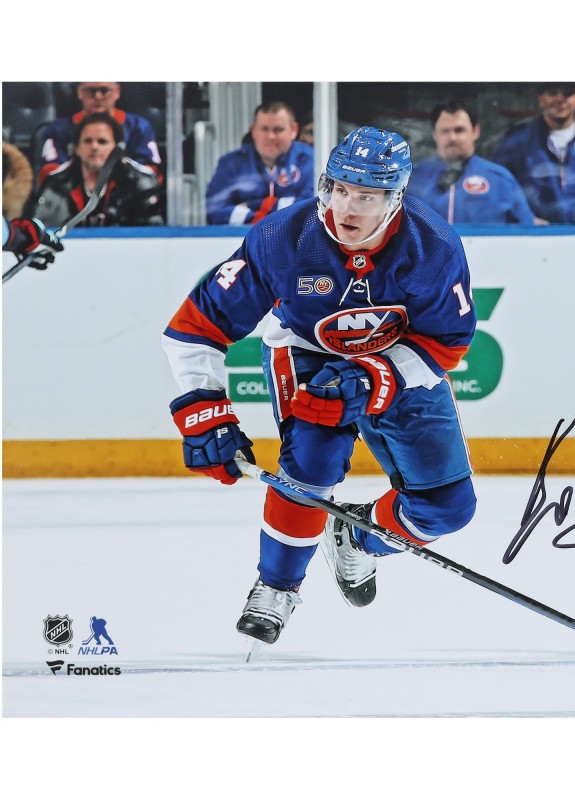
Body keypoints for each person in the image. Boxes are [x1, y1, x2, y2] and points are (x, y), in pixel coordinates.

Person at [162, 126, 477, 646]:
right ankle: (276, 586)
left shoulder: (434, 249)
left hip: (399, 358)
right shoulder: (282, 238)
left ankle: (358, 537)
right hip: (308, 351)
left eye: (366, 196)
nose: (346, 208)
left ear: (396, 197)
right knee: (311, 463)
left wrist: (375, 376)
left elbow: (446, 342)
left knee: (447, 509)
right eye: (339, 189)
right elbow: (196, 326)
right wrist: (205, 409)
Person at [407, 101, 536, 225]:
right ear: (435, 134)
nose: (452, 138)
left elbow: (527, 229)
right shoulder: (412, 179)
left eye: (459, 130)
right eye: (445, 131)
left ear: (475, 131)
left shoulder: (500, 179)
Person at [26, 112, 164, 228]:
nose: (94, 147)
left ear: (118, 148)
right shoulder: (56, 185)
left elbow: (151, 236)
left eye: (102, 141)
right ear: (76, 148)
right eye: (88, 141)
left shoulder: (141, 184)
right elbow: (46, 233)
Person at [493, 83, 575, 221]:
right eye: (552, 93)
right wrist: (526, 218)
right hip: (535, 230)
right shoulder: (516, 142)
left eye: (567, 93)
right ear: (540, 100)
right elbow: (500, 187)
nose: (560, 99)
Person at [205, 102, 315, 225]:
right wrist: (256, 217)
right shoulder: (231, 164)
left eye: (278, 130)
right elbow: (214, 211)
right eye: (264, 129)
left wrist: (254, 205)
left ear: (293, 130)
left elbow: (312, 207)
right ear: (253, 130)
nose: (271, 136)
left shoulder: (311, 160)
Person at [37, 82, 162, 183]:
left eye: (104, 90)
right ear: (79, 92)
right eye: (91, 91)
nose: (98, 96)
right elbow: (49, 174)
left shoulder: (139, 127)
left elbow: (152, 173)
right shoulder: (58, 129)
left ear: (117, 92)